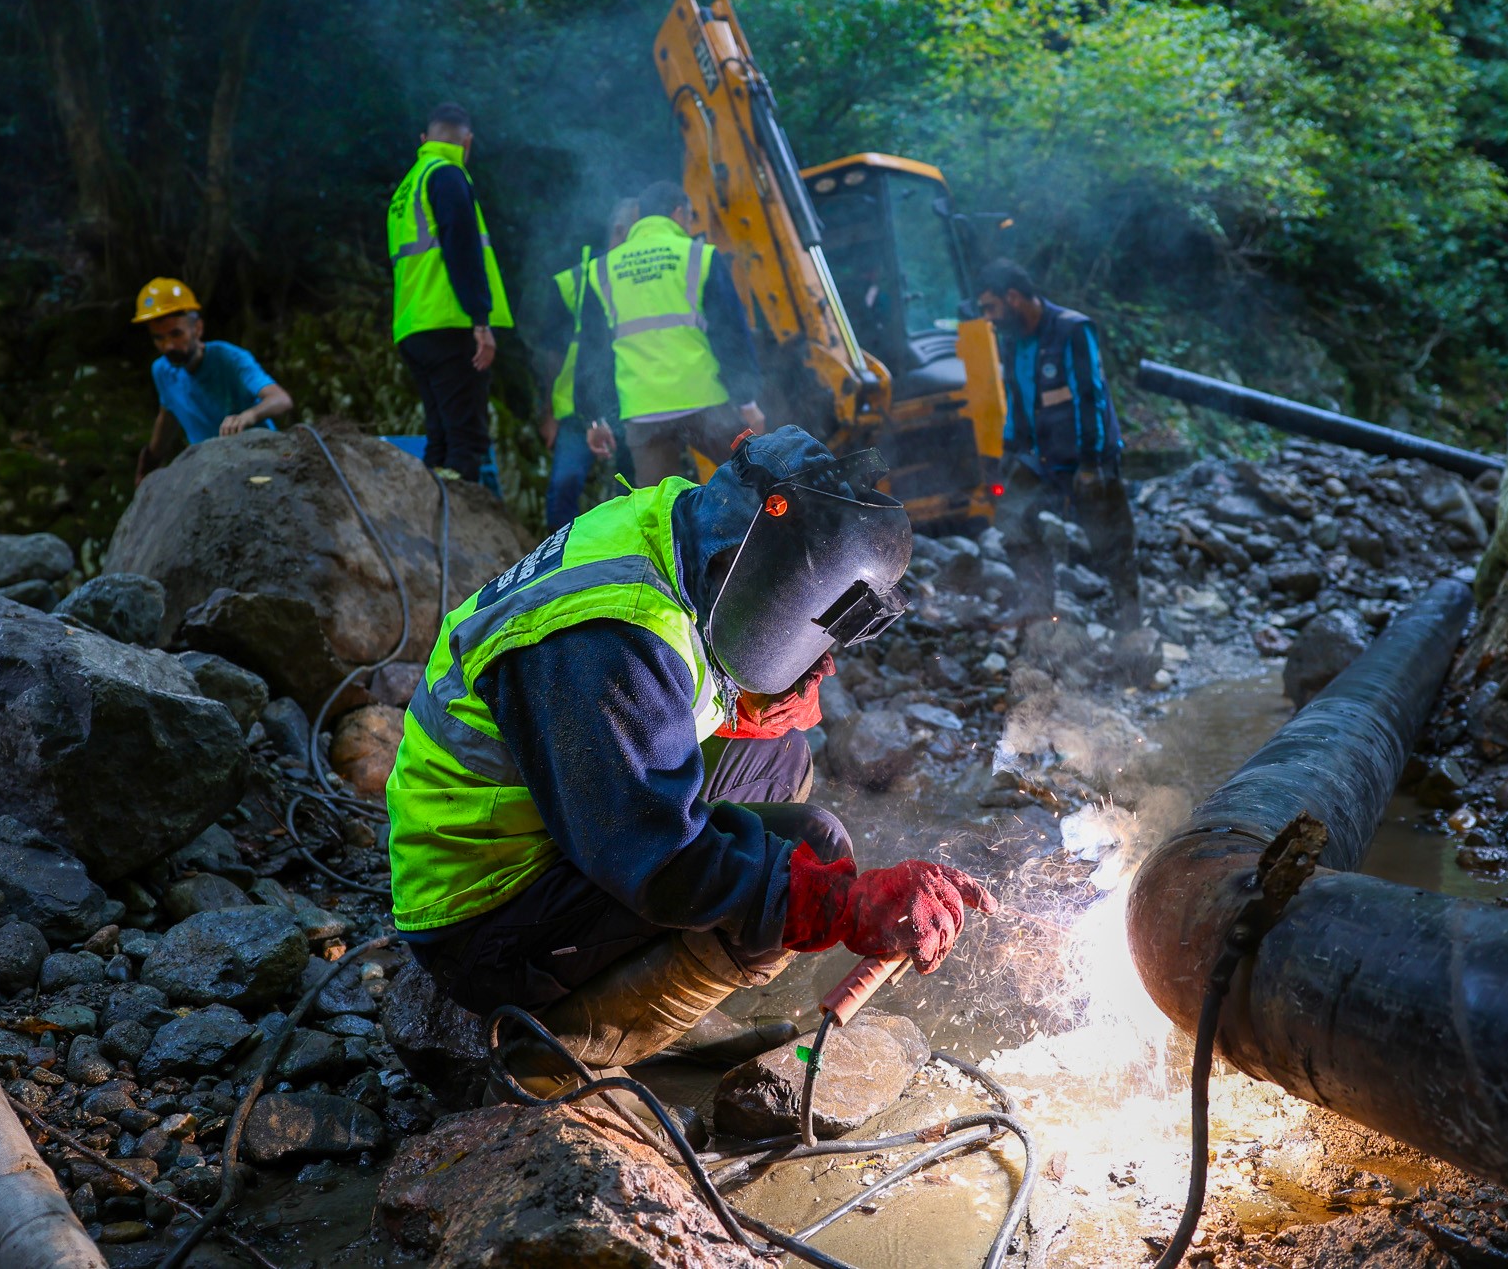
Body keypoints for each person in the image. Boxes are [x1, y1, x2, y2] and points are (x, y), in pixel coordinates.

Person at [385, 426, 995, 1104]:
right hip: (481, 911)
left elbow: (672, 684)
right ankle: (554, 1051)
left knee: (779, 759)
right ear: (762, 567)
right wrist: (838, 904)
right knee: (788, 871)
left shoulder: (690, 525)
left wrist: (776, 681)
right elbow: (663, 858)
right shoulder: (610, 635)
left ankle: (658, 994)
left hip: (558, 818)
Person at [975, 258, 1139, 620]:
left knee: (1111, 540)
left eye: (992, 307)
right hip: (1041, 457)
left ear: (1013, 297)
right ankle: (1038, 607)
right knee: (1012, 519)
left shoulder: (1072, 330)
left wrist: (1092, 463)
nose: (989, 317)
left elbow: (1090, 398)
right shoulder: (1014, 342)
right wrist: (1007, 455)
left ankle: (1130, 619)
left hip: (1086, 456)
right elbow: (1017, 401)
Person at [574, 180, 765, 487]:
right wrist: (747, 401)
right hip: (705, 402)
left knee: (658, 510)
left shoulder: (601, 271)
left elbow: (591, 351)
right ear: (679, 213)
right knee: (759, 483)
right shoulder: (699, 256)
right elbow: (730, 333)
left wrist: (594, 418)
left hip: (643, 411)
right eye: (690, 218)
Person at [388, 101, 513, 482]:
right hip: (449, 320)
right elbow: (463, 247)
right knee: (465, 440)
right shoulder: (447, 175)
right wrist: (480, 319)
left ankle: (429, 526)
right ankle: (459, 529)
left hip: (413, 325)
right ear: (468, 142)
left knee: (440, 437)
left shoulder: (407, 186)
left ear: (424, 139)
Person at [540, 198, 640, 532]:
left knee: (631, 492)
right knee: (564, 487)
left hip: (632, 401)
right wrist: (549, 412)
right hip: (576, 407)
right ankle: (559, 564)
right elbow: (551, 352)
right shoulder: (577, 281)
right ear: (620, 231)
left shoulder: (641, 278)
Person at [131, 277, 292, 484]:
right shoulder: (162, 370)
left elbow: (281, 399)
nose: (168, 346)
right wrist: (149, 462)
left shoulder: (229, 358)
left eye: (175, 334)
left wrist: (248, 416)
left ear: (197, 328)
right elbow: (167, 415)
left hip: (260, 458)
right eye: (159, 338)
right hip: (210, 470)